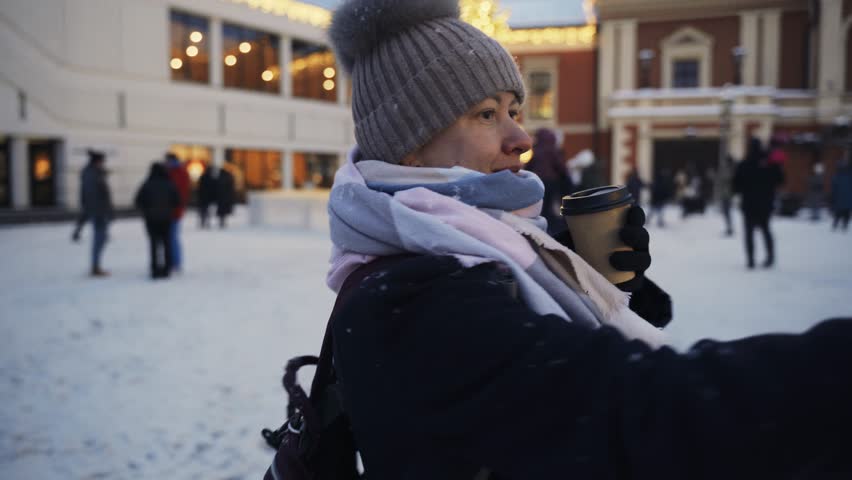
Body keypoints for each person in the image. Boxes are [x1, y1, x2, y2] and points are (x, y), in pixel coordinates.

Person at [317, 1, 852, 478]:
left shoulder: (481, 245)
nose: (520, 137)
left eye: (513, 111)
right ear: (409, 145)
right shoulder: (411, 300)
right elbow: (637, 413)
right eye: (486, 114)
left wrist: (581, 272)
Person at [734, 137, 785, 269]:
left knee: (749, 232)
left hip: (749, 204)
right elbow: (780, 180)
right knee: (766, 230)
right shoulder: (770, 163)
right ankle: (770, 257)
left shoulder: (744, 164)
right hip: (766, 203)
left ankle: (751, 260)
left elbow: (736, 186)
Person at [134, 162, 179, 279]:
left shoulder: (147, 184)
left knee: (153, 244)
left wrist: (146, 210)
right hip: (166, 219)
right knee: (166, 243)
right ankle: (166, 269)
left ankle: (155, 269)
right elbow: (176, 200)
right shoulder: (169, 184)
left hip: (151, 219)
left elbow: (138, 200)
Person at [523, 128, 568, 234]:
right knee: (550, 206)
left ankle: (543, 227)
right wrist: (565, 175)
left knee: (542, 207)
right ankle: (553, 230)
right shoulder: (552, 150)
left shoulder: (537, 150)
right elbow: (560, 166)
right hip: (551, 182)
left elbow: (529, 166)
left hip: (538, 182)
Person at [78, 149, 113, 277]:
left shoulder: (92, 173)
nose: (103, 164)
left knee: (101, 239)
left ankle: (96, 265)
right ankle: (95, 267)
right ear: (97, 162)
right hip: (99, 212)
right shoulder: (93, 175)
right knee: (99, 240)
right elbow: (95, 196)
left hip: (100, 211)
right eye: (102, 161)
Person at [164, 153, 190, 272]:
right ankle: (175, 262)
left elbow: (175, 192)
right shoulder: (181, 172)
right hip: (175, 209)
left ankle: (175, 262)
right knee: (172, 237)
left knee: (172, 237)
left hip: (172, 210)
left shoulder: (175, 173)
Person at [714, 155, 735, 236]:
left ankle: (729, 228)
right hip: (726, 194)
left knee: (727, 212)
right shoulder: (730, 169)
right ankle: (729, 228)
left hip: (727, 194)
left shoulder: (729, 170)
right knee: (726, 212)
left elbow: (724, 179)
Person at [831, 155, 852, 231]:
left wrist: (833, 196)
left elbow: (834, 187)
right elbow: (834, 187)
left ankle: (838, 225)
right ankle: (842, 225)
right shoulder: (841, 176)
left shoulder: (838, 176)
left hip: (841, 198)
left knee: (840, 212)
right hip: (845, 198)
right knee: (844, 212)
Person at [216, 163, 236, 228]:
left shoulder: (220, 176)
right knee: (223, 210)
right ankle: (222, 221)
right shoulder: (227, 177)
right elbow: (230, 188)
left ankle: (222, 221)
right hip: (225, 197)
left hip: (221, 197)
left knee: (222, 210)